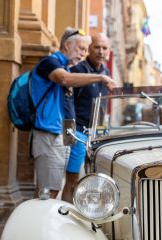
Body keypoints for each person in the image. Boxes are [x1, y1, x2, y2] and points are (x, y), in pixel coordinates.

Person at [30, 27, 116, 199]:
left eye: (85, 49)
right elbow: (64, 80)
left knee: (55, 186)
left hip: (63, 134)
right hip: (50, 133)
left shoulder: (67, 67)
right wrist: (100, 77)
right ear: (67, 45)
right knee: (48, 191)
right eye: (81, 49)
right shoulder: (51, 62)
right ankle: (43, 224)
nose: (83, 54)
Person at [62, 33, 112, 203]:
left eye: (104, 48)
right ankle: (66, 218)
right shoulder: (79, 70)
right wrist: (70, 133)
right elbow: (67, 101)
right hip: (79, 132)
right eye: (97, 47)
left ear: (109, 51)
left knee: (94, 180)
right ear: (89, 49)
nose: (100, 51)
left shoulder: (106, 71)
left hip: (97, 133)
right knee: (72, 180)